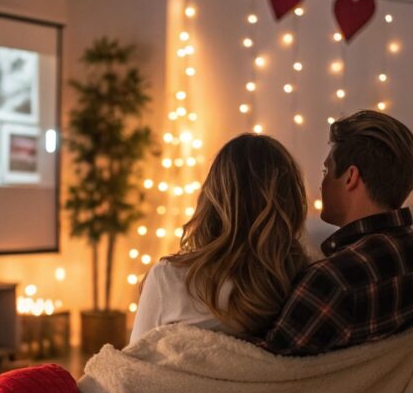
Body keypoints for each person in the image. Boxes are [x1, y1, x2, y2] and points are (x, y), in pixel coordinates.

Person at [260, 110, 413, 356]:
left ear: (351, 177)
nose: (322, 184)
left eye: (326, 171)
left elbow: (267, 371)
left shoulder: (331, 282)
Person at [129, 134, 309, 343]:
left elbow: (136, 368)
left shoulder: (169, 279)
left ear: (212, 197)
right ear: (292, 201)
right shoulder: (305, 282)